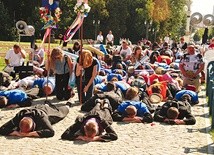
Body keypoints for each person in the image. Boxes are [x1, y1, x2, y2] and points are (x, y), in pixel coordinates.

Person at [0, 104, 69, 138]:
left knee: (62, 112)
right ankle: (46, 104)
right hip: (34, 107)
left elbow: (51, 132)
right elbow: (2, 129)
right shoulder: (19, 116)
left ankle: (68, 105)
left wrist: (30, 134)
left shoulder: (41, 117)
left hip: (45, 111)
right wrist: (15, 132)